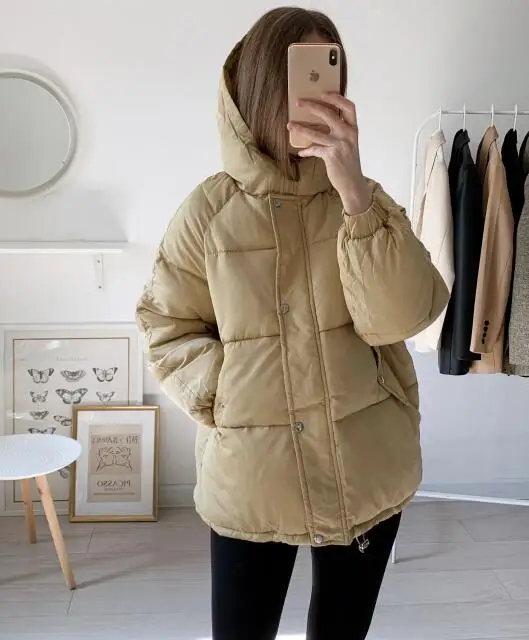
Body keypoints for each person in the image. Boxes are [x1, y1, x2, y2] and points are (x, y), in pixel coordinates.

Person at [136, 7, 448, 640]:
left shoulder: (364, 201)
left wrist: (354, 194)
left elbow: (405, 317)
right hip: (253, 474)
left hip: (365, 465)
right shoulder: (208, 213)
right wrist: (230, 395)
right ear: (258, 84)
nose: (316, 94)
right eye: (298, 75)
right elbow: (167, 326)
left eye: (327, 74)